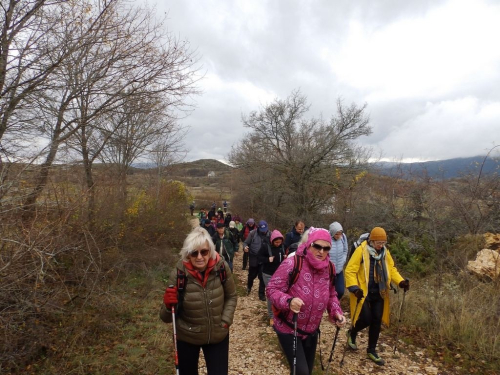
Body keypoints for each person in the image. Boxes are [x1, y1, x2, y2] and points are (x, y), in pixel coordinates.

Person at [267, 227, 346, 375]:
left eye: (326, 248)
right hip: (288, 327)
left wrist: (336, 312)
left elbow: (331, 294)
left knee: (305, 371)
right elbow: (271, 289)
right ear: (309, 244)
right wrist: (288, 301)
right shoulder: (293, 263)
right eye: (317, 246)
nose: (321, 251)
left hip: (311, 330)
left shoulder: (330, 268)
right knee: (301, 372)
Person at [160, 227, 237, 375]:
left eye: (204, 252)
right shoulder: (178, 275)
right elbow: (165, 318)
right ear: (187, 254)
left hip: (217, 335)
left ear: (210, 251)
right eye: (194, 253)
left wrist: (225, 321)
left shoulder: (221, 267)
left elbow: (232, 296)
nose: (200, 257)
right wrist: (168, 306)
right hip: (187, 337)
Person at [344, 226, 409, 366]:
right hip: (363, 292)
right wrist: (354, 288)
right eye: (379, 243)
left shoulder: (385, 252)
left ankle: (371, 350)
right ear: (372, 241)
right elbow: (350, 270)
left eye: (383, 243)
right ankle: (352, 332)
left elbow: (391, 269)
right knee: (366, 318)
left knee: (376, 320)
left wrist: (401, 282)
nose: (381, 245)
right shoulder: (361, 251)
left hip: (380, 292)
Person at [257, 229, 286, 325]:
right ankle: (271, 316)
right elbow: (259, 257)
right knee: (271, 295)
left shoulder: (282, 247)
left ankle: (279, 313)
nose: (278, 244)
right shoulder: (266, 247)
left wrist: (285, 258)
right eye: (276, 242)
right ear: (272, 240)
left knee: (280, 294)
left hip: (279, 274)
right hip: (268, 274)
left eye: (280, 242)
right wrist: (267, 259)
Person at [243, 220, 269, 301]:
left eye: (265, 230)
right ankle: (249, 287)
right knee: (252, 275)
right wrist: (245, 247)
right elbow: (246, 242)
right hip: (254, 257)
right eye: (262, 230)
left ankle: (261, 294)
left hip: (264, 258)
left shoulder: (270, 234)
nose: (264, 232)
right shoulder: (252, 233)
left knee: (262, 277)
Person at [328, 221, 348, 299]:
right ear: (332, 233)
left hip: (339, 270)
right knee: (328, 291)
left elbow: (345, 250)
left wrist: (343, 260)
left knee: (340, 291)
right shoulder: (327, 238)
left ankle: (335, 304)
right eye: (336, 234)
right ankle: (327, 307)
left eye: (340, 233)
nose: (338, 235)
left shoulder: (343, 237)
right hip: (328, 270)